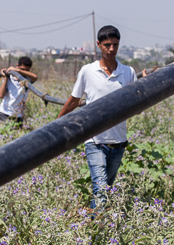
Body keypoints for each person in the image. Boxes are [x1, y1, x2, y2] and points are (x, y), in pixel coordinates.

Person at [58, 25, 137, 208]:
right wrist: (56, 125)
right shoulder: (88, 71)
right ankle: (96, 231)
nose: (111, 49)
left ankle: (95, 226)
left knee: (105, 191)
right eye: (107, 45)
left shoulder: (128, 72)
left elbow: (136, 104)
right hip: (95, 141)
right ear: (98, 45)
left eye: (115, 45)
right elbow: (74, 100)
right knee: (101, 189)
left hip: (118, 142)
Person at [0, 56, 37, 124]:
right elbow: (1, 95)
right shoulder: (10, 77)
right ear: (17, 65)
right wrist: (6, 78)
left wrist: (18, 70)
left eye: (27, 70)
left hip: (18, 115)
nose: (24, 72)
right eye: (22, 69)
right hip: (5, 113)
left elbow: (35, 77)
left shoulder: (27, 79)